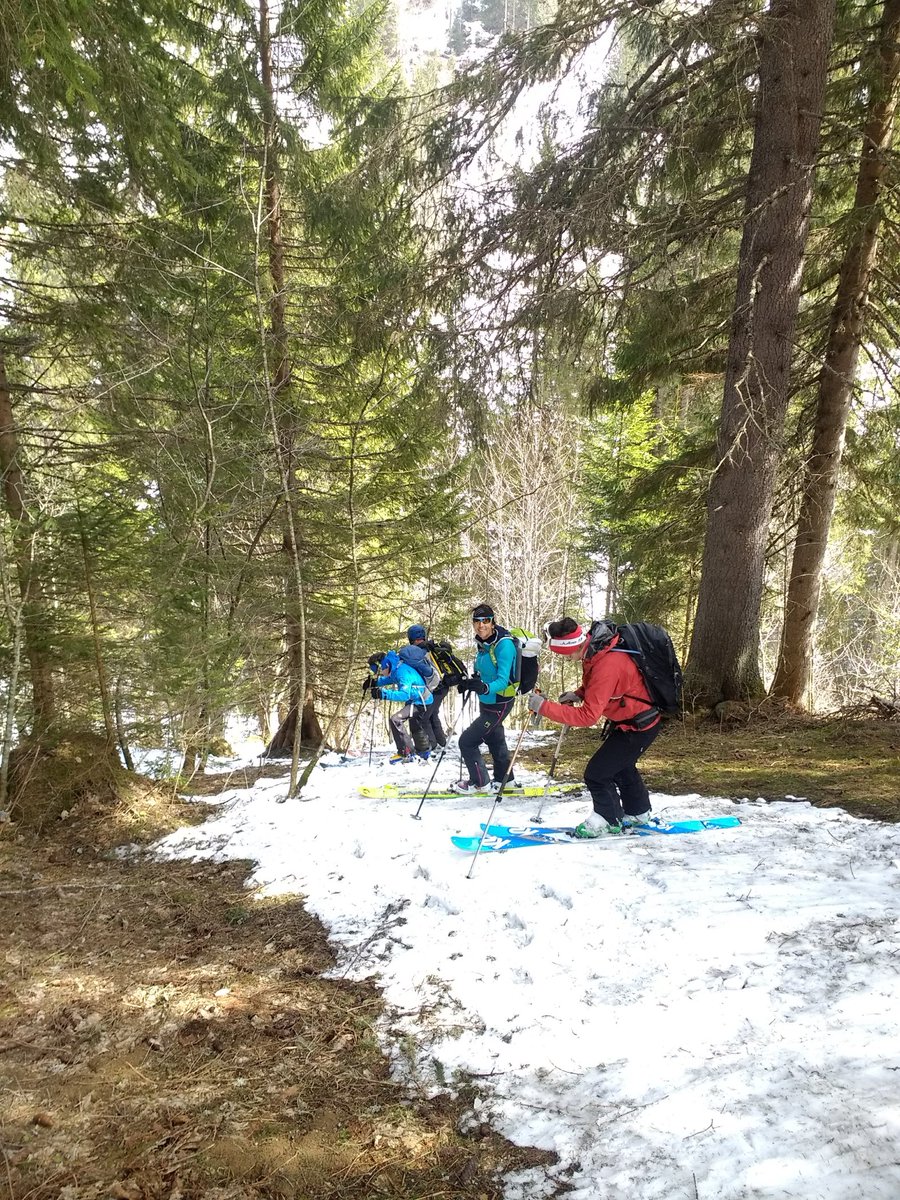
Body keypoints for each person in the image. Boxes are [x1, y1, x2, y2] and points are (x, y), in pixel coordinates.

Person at [527, 617, 661, 837]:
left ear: (571, 645)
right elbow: (598, 685)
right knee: (621, 766)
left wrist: (545, 708)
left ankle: (607, 820)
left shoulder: (607, 663)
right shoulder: (595, 650)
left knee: (596, 774)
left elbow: (588, 716)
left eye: (565, 654)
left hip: (640, 725)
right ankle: (638, 812)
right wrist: (579, 693)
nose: (568, 660)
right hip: (630, 721)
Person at [450, 604, 523, 794]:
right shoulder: (484, 644)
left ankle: (480, 783)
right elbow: (484, 674)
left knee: (467, 741)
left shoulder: (504, 645)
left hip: (500, 701)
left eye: (486, 620)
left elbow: (503, 680)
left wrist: (484, 687)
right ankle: (506, 780)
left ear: (492, 621)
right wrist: (470, 683)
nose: (481, 625)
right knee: (495, 739)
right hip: (487, 701)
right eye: (477, 621)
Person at [366, 650, 433, 763]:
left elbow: (404, 695)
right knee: (415, 724)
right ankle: (424, 751)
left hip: (421, 702)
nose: (381, 672)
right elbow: (390, 678)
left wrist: (383, 694)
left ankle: (405, 753)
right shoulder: (397, 668)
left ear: (386, 665)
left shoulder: (403, 673)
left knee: (396, 719)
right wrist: (375, 682)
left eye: (381, 669)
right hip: (422, 699)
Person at [405, 624, 449, 750]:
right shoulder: (431, 648)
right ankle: (441, 742)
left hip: (432, 688)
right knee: (433, 714)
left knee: (423, 718)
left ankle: (430, 745)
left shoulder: (414, 652)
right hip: (442, 687)